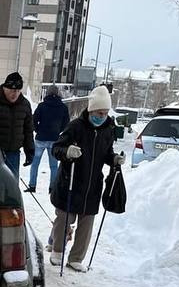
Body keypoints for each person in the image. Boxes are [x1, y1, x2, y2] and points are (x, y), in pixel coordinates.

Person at [48, 84, 125, 271]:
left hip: (92, 185)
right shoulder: (75, 126)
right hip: (71, 180)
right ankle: (57, 251)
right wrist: (68, 151)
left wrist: (114, 158)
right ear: (91, 110)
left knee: (87, 222)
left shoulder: (108, 129)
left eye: (105, 113)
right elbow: (56, 149)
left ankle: (76, 258)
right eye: (99, 113)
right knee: (64, 218)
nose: (102, 117)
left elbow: (107, 153)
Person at [0, 71, 34, 179]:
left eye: (18, 90)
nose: (14, 94)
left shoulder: (24, 105)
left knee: (12, 186)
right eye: (11, 90)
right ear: (4, 88)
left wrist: (30, 151)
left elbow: (28, 130)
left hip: (13, 154)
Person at [26, 85, 69, 192]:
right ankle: (52, 188)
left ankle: (32, 186)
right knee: (54, 166)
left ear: (47, 93)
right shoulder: (63, 107)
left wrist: (38, 130)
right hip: (55, 139)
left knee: (35, 164)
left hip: (41, 138)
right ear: (58, 93)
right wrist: (58, 131)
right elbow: (66, 122)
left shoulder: (42, 106)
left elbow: (34, 119)